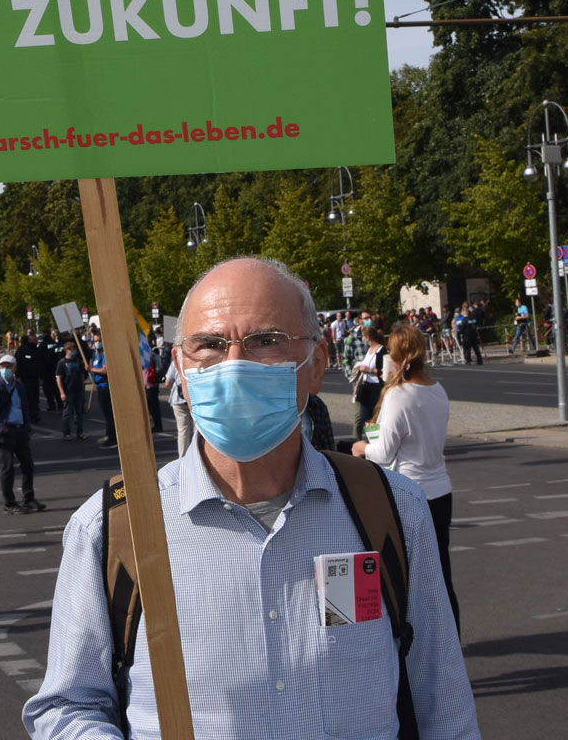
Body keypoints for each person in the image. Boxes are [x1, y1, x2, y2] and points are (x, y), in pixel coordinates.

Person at [25, 257, 475, 739]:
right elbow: (69, 706)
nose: (234, 365)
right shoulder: (113, 526)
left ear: (316, 365)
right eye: (209, 346)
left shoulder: (392, 509)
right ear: (180, 367)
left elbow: (442, 695)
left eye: (266, 341)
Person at [353, 323, 459, 627]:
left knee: (402, 575)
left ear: (396, 357)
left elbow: (384, 452)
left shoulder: (399, 395)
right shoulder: (436, 389)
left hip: (408, 492)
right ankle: (449, 638)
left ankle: (408, 640)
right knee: (441, 573)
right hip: (440, 490)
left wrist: (361, 448)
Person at [0, 355, 44, 515]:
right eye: (2, 367)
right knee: (7, 468)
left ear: (15, 368)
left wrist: (27, 426)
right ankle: (9, 503)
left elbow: (24, 407)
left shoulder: (19, 386)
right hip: (6, 432)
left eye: (8, 366)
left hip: (20, 430)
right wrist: (1, 428)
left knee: (28, 465)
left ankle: (29, 498)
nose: (5, 369)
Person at [350, 324, 388, 440]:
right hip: (366, 387)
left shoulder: (382, 350)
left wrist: (369, 370)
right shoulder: (369, 350)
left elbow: (384, 371)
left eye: (364, 336)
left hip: (376, 388)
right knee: (364, 417)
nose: (363, 339)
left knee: (374, 417)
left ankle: (375, 441)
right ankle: (372, 439)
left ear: (369, 337)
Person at [55, 343, 88, 441]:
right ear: (67, 350)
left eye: (74, 349)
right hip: (68, 391)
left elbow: (82, 375)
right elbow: (59, 378)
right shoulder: (62, 362)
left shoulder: (78, 361)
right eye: (72, 349)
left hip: (78, 390)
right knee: (67, 413)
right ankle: (66, 433)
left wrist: (82, 387)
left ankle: (80, 432)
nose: (74, 351)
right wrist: (62, 392)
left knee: (79, 413)